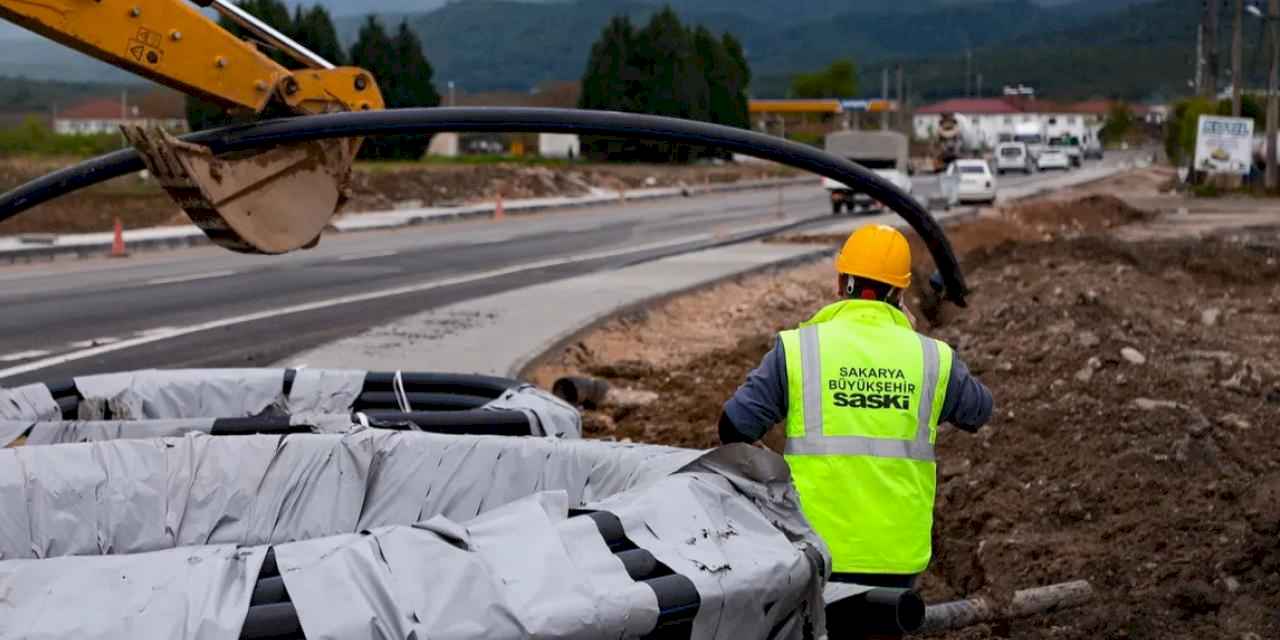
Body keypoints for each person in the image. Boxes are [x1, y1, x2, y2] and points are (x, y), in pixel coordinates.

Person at [719, 224, 992, 589]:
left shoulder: (800, 349)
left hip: (813, 553)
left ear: (840, 283)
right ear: (899, 292)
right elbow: (979, 410)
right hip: (897, 558)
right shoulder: (931, 359)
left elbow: (734, 426)